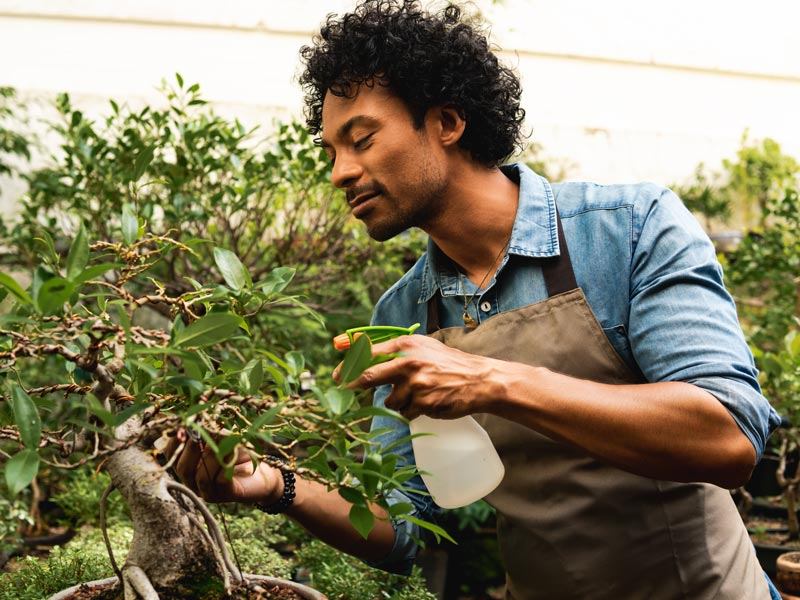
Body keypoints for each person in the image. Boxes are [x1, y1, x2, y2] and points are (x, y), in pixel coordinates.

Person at [173, 1, 783, 598]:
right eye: (330, 151)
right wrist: (277, 486)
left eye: (361, 139)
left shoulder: (625, 229)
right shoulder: (406, 313)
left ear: (447, 123)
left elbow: (729, 437)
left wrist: (492, 381)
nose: (339, 171)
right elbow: (401, 527)